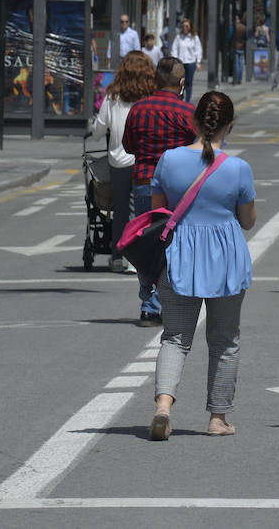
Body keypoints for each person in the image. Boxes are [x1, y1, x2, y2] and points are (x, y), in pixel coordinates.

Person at [146, 91, 256, 441]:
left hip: (179, 255)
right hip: (225, 261)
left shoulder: (169, 160)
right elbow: (248, 221)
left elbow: (159, 212)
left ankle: (164, 407)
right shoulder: (238, 168)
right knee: (224, 341)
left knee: (175, 338)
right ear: (230, 125)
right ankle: (217, 418)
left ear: (193, 122)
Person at [122, 57, 198, 327]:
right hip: (177, 190)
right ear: (181, 82)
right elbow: (198, 149)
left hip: (144, 182)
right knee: (174, 247)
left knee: (146, 247)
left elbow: (128, 146)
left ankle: (148, 307)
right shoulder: (187, 112)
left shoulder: (138, 109)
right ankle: (172, 302)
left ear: (155, 81)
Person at [90, 51, 156, 272]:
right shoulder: (150, 96)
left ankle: (118, 256)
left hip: (118, 159)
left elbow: (98, 130)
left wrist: (96, 130)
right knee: (139, 210)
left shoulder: (112, 96)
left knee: (119, 209)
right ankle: (136, 256)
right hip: (143, 159)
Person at [170, 19, 203, 103]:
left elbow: (198, 50)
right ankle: (180, 99)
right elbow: (174, 49)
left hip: (190, 63)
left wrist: (198, 61)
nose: (185, 28)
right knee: (180, 82)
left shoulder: (194, 38)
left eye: (187, 26)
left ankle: (187, 101)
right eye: (183, 26)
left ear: (190, 27)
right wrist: (175, 60)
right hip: (180, 63)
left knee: (188, 82)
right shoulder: (178, 37)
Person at [231, 15, 247, 84]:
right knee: (241, 64)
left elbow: (229, 36)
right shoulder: (244, 28)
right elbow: (246, 37)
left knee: (236, 64)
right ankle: (240, 79)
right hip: (242, 47)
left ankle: (236, 79)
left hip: (235, 47)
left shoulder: (233, 27)